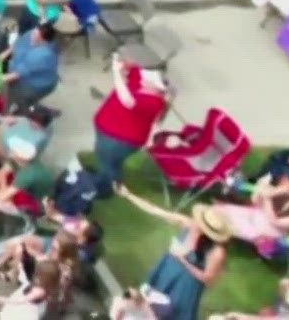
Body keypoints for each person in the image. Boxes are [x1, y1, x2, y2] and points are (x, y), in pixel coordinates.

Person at [117, 187, 230, 320]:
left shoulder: (216, 252)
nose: (195, 223)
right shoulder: (188, 224)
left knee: (171, 313)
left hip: (185, 285)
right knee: (146, 304)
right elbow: (156, 211)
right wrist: (129, 195)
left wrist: (183, 259)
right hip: (167, 270)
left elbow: (208, 279)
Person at [93, 52, 170, 192]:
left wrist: (116, 73)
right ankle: (106, 178)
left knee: (108, 164)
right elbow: (133, 70)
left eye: (149, 79)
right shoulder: (142, 82)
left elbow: (128, 101)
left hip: (119, 140)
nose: (144, 78)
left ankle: (104, 188)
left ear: (157, 88)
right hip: (108, 132)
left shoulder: (154, 102)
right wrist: (124, 64)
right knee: (105, 159)